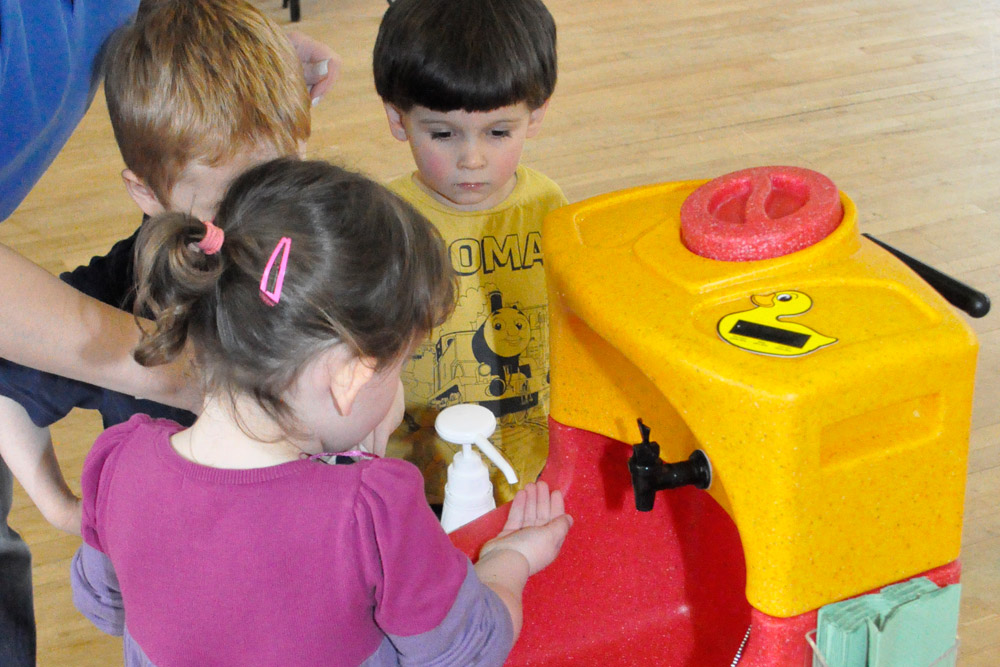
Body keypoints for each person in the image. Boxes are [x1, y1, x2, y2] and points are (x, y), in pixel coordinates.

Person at [70, 157, 573, 666]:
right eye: (398, 367)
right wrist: (509, 560)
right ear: (350, 378)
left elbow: (105, 607)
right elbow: (468, 649)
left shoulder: (117, 462)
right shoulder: (372, 512)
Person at [0, 1, 336, 663]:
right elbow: (8, 395)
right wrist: (68, 509)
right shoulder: (122, 290)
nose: (260, 223)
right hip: (171, 610)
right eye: (224, 204)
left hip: (311, 583)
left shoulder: (328, 246)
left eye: (280, 180)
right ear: (147, 194)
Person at [372, 0, 568, 507]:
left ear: (537, 114)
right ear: (398, 119)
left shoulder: (549, 206)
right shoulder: (382, 222)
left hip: (530, 468)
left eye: (500, 132)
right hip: (419, 482)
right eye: (442, 134)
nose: (472, 160)